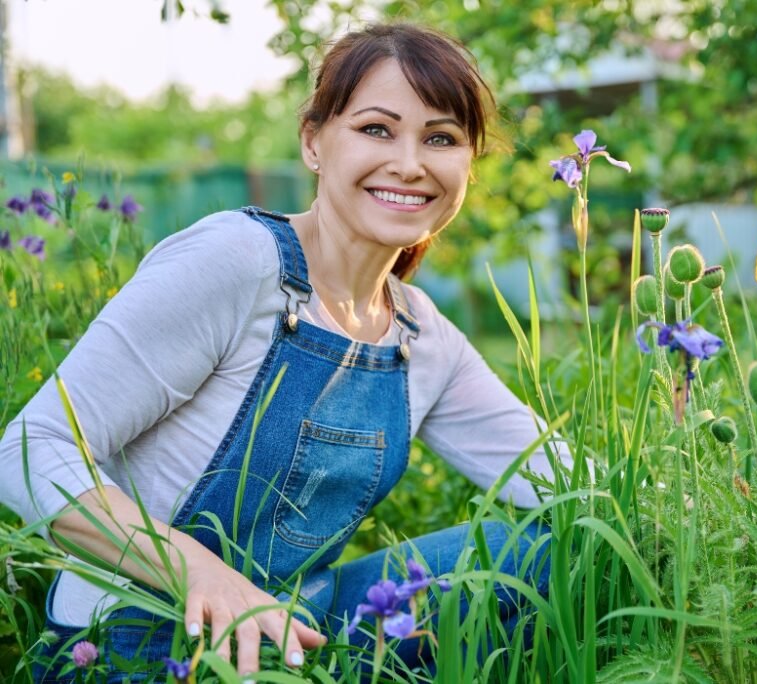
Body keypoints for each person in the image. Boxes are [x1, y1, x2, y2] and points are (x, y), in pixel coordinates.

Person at [0, 23, 567, 681]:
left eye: (440, 138)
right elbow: (29, 450)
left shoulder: (420, 333)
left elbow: (560, 478)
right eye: (377, 129)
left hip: (304, 633)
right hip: (133, 647)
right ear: (313, 141)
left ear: (467, 165)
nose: (410, 163)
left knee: (562, 547)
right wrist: (203, 577)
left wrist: (684, 494)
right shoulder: (236, 262)